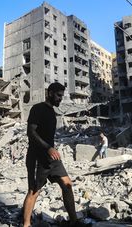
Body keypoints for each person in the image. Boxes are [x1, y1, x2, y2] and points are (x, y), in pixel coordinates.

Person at [22, 82, 78, 227]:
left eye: (62, 96)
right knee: (34, 191)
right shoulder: (38, 108)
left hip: (51, 159)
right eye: (59, 95)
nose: (60, 98)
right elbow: (31, 132)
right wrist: (48, 148)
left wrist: (50, 150)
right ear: (50, 93)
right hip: (37, 157)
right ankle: (26, 224)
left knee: (67, 185)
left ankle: (74, 222)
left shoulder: (52, 112)